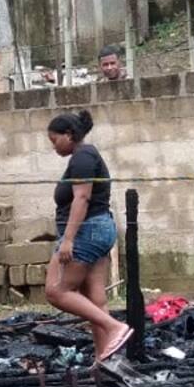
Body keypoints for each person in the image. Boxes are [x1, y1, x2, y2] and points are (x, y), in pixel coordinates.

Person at [44, 110, 134, 362]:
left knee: (56, 292)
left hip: (87, 231)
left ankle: (115, 327)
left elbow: (82, 198)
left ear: (68, 135)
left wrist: (68, 239)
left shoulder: (82, 157)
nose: (53, 146)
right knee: (95, 299)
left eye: (54, 140)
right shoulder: (86, 155)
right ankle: (105, 361)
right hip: (99, 230)